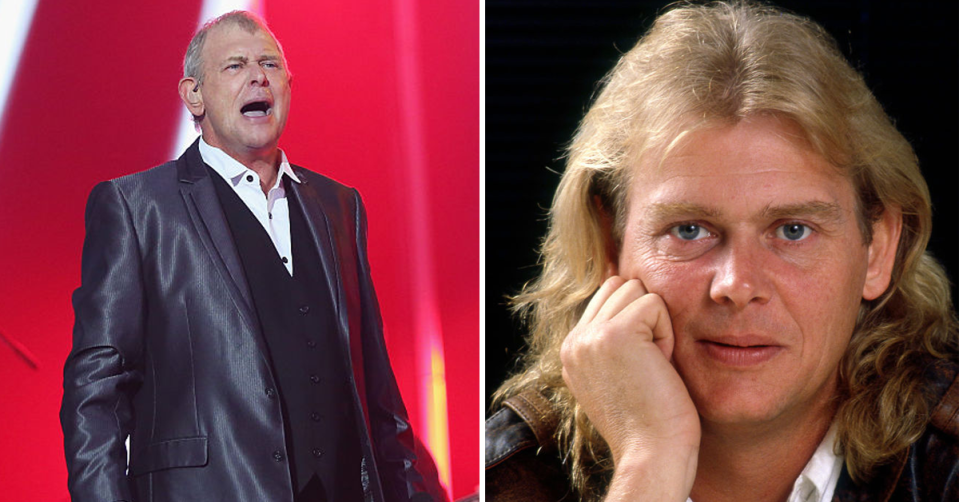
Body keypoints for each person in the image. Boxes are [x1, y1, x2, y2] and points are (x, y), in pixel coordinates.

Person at [486, 2, 959, 501]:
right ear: (610, 242)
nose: (737, 285)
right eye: (689, 230)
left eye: (793, 230)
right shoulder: (498, 482)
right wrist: (649, 462)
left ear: (878, 248)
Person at [61, 11, 431, 502]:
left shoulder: (339, 206)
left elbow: (379, 393)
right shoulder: (137, 207)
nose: (258, 76)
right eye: (236, 65)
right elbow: (95, 395)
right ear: (194, 93)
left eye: (270, 65)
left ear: (289, 86)